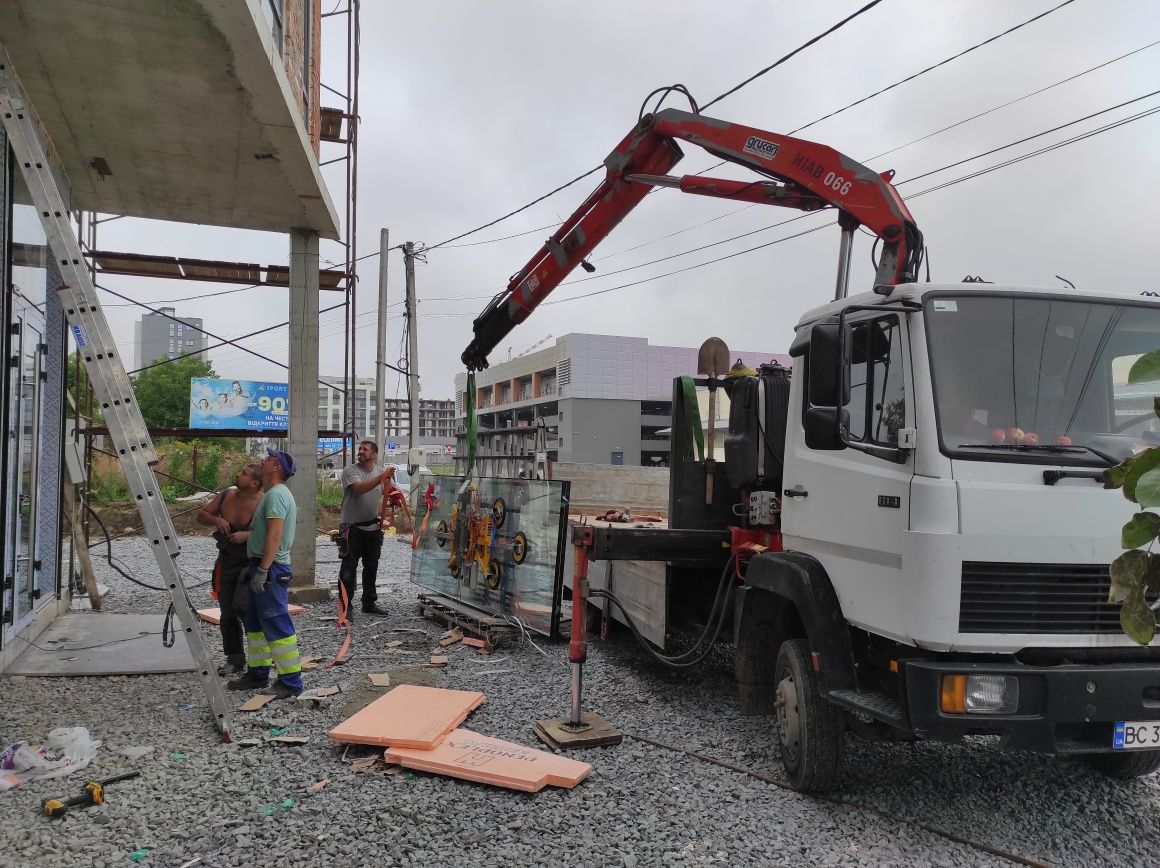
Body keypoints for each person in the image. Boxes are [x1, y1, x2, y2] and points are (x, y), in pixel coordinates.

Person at [227, 448, 303, 699]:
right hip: (263, 565)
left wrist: (263, 569)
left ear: (277, 468)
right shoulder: (273, 495)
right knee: (256, 624)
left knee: (276, 622)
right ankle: (258, 673)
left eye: (269, 459)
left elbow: (274, 534)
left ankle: (291, 681)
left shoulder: (277, 495)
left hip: (270, 567)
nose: (264, 460)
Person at [196, 462, 263, 676]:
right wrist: (216, 519)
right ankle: (234, 659)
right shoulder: (227, 495)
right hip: (226, 562)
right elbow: (201, 515)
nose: (238, 474)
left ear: (254, 483)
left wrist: (247, 535)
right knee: (227, 613)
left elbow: (274, 533)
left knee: (243, 608)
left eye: (243, 473)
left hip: (249, 564)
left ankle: (260, 660)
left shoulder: (263, 502)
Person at [338, 440, 395, 618]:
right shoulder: (351, 471)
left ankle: (369, 603)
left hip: (372, 527)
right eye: (360, 449)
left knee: (371, 566)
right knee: (349, 567)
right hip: (351, 527)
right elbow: (359, 489)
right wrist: (382, 477)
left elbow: (389, 492)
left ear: (374, 454)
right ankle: (346, 607)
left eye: (365, 449)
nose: (361, 451)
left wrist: (395, 497)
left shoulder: (380, 472)